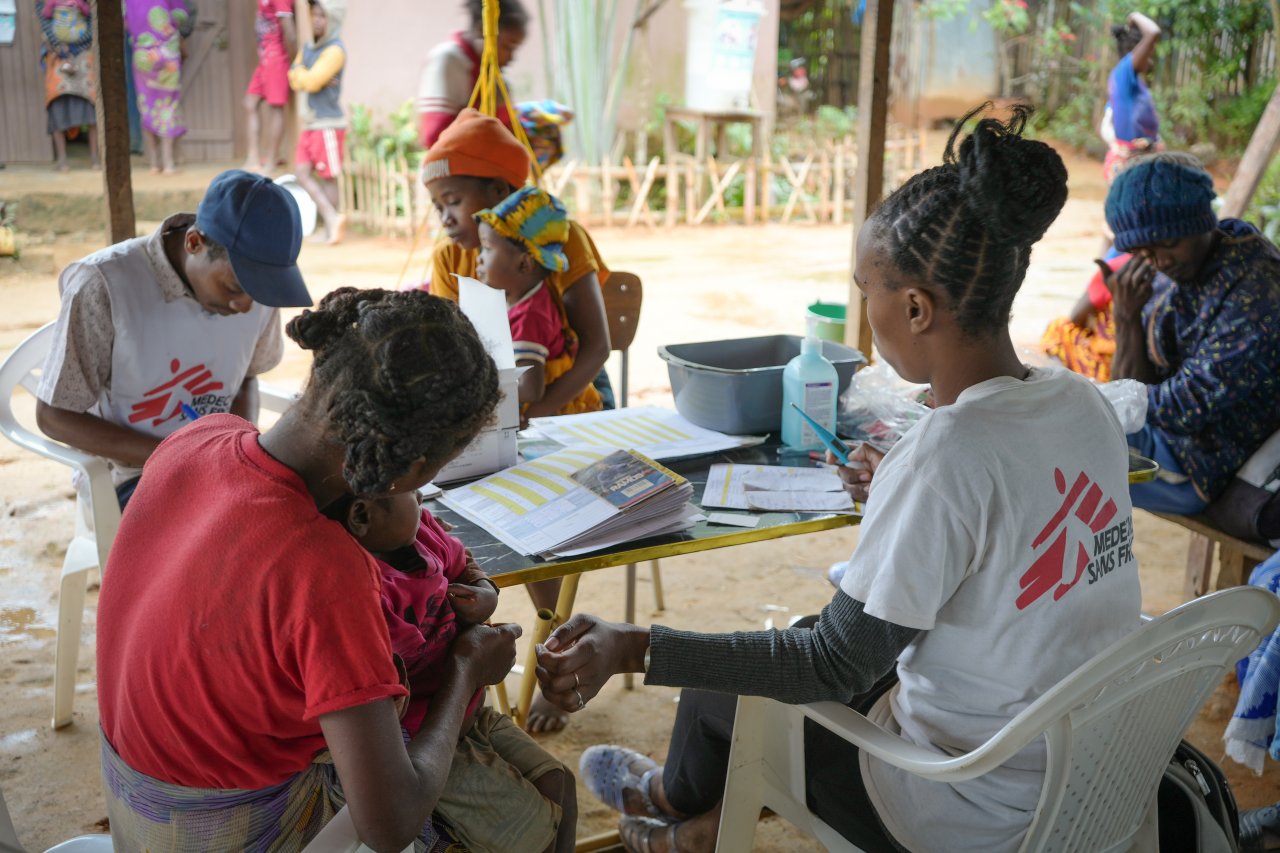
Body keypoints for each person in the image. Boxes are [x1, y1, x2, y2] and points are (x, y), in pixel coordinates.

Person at [534, 104, 1143, 853]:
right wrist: (902, 485)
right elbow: (1013, 517)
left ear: (916, 307)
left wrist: (632, 643)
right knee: (774, 665)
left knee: (750, 675)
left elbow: (834, 659)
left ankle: (684, 817)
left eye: (868, 290)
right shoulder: (1082, 403)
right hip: (1089, 761)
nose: (865, 309)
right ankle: (686, 815)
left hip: (968, 804)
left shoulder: (947, 456)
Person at [96, 287, 525, 851]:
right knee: (521, 820)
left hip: (134, 798)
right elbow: (390, 823)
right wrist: (465, 671)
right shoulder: (325, 569)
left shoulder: (198, 438)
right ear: (411, 470)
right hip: (231, 830)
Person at [424, 109, 613, 731]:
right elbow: (454, 348)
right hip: (490, 409)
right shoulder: (451, 256)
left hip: (570, 403)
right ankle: (512, 655)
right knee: (456, 516)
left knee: (536, 521)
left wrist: (540, 412)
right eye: (439, 204)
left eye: (454, 200)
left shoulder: (564, 236)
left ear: (501, 196)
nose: (446, 218)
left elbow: (595, 346)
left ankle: (555, 658)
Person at [35, 170, 312, 511]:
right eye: (234, 289)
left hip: (215, 463)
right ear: (194, 243)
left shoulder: (255, 293)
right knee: (225, 537)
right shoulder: (104, 286)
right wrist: (178, 457)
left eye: (260, 293)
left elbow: (246, 379)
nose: (246, 307)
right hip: (132, 474)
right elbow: (54, 415)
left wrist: (236, 448)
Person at [325, 488, 577, 853]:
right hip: (422, 740)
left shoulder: (421, 532)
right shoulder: (363, 596)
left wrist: (485, 593)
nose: (424, 500)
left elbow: (464, 565)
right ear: (363, 516)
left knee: (559, 783)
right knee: (534, 834)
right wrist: (469, 665)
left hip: (469, 708)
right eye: (412, 493)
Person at [1102, 153, 1280, 516]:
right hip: (1167, 438)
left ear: (1203, 222)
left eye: (1169, 243)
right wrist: (1126, 317)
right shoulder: (1180, 268)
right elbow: (1132, 384)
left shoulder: (1257, 290)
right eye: (1143, 250)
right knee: (1049, 435)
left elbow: (1185, 408)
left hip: (1198, 466)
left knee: (1057, 451)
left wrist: (1099, 404)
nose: (1160, 260)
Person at [476, 185, 603, 414]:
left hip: (558, 422)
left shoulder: (529, 315)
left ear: (525, 263)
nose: (479, 259)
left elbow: (531, 388)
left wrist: (483, 391)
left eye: (486, 248)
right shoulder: (523, 301)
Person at [416, 0, 528, 150]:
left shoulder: (488, 75)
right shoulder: (449, 60)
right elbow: (435, 139)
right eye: (508, 47)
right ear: (483, 30)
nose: (511, 58)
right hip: (453, 170)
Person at [288, 0, 348, 244]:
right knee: (301, 172)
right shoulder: (310, 47)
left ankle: (331, 227)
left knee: (327, 177)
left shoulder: (335, 50)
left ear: (332, 20)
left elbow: (308, 81)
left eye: (322, 16)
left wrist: (303, 75)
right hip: (311, 123)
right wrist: (305, 76)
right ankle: (332, 218)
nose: (316, 20)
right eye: (314, 15)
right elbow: (294, 76)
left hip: (328, 124)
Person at [1038, 251, 1131, 382]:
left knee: (1059, 327)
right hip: (1144, 358)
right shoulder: (1160, 269)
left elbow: (1076, 316)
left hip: (1113, 365)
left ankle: (1063, 378)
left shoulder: (1116, 266)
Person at [123, 0, 192, 174]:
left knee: (146, 106)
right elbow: (182, 16)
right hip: (167, 53)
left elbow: (125, 22)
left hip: (143, 55)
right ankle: (168, 163)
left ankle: (154, 162)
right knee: (167, 105)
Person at [36, 0, 99, 171]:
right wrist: (60, 47)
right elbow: (45, 21)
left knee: (90, 101)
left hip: (83, 52)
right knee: (56, 99)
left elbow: (94, 19)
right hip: (57, 53)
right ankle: (62, 160)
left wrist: (78, 46)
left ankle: (95, 158)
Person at [1103, 12, 1162, 185]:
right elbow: (1153, 32)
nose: (1151, 61)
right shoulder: (1123, 73)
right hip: (1128, 166)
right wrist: (1133, 15)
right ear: (1137, 52)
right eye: (1149, 54)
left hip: (1141, 162)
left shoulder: (1134, 83)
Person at [244, 0, 296, 174]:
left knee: (276, 108)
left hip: (277, 59)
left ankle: (271, 160)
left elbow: (290, 33)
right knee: (250, 103)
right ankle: (253, 157)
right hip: (265, 59)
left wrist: (295, 62)